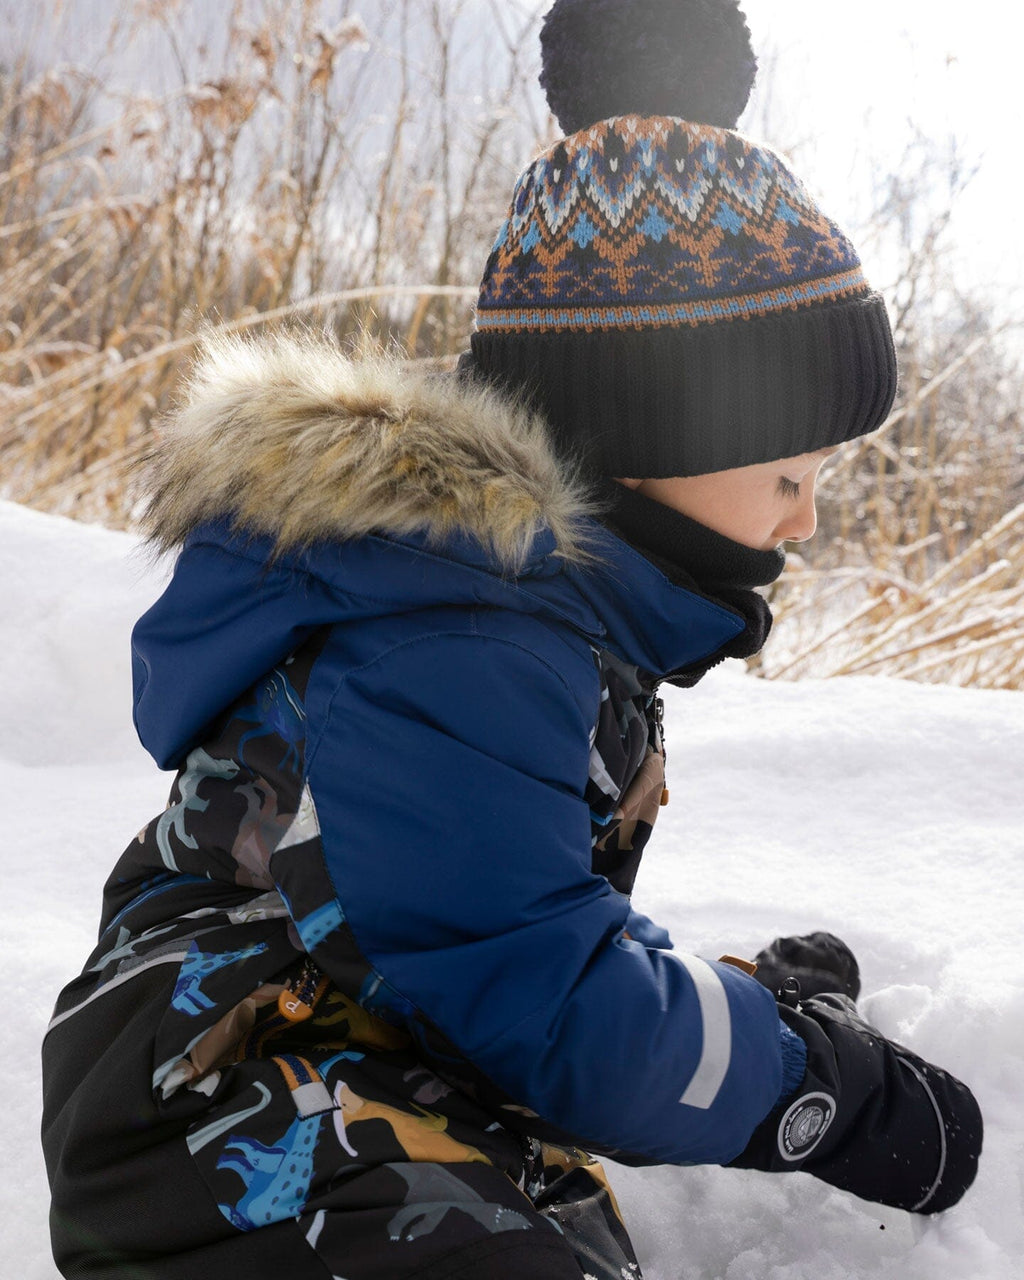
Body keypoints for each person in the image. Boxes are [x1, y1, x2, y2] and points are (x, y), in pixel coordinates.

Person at [41, 2, 982, 1277]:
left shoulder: (545, 618)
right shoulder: (458, 639)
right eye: (790, 465)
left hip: (395, 1084)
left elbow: (507, 935)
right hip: (223, 1113)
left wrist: (747, 1014)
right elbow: (541, 998)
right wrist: (822, 1085)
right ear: (655, 440)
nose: (809, 509)